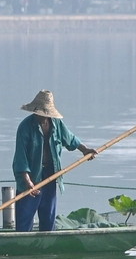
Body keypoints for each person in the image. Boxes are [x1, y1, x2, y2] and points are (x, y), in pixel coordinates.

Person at [12, 90, 95, 232]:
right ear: (35, 111)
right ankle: (22, 244)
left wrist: (85, 150)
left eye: (45, 114)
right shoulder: (25, 128)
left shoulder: (57, 124)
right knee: (25, 217)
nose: (42, 117)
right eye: (39, 113)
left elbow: (70, 139)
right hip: (31, 177)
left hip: (50, 175)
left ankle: (47, 244)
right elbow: (21, 158)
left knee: (48, 215)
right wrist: (28, 182)